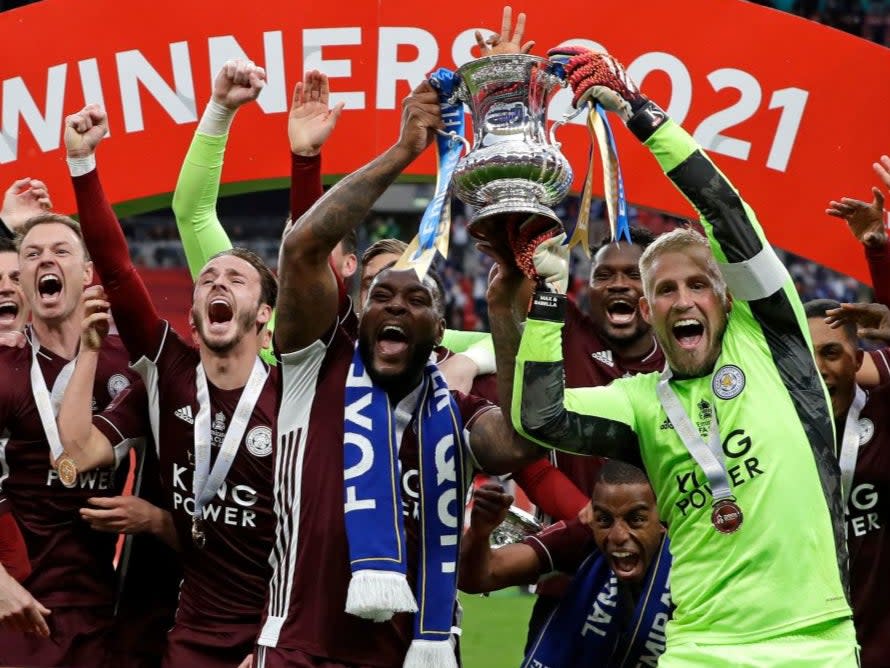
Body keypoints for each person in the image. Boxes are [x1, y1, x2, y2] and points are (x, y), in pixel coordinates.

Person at [497, 47, 856, 663]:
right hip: (699, 648)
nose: (682, 298)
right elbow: (539, 419)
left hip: (812, 643)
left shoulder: (774, 342)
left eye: (697, 284)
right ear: (647, 309)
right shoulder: (641, 404)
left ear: (726, 299)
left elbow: (725, 212)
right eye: (664, 288)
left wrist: (641, 114)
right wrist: (549, 300)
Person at [254, 78, 539, 668]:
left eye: (418, 301)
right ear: (358, 313)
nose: (398, 306)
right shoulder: (316, 369)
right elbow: (303, 250)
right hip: (300, 651)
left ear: (438, 331)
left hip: (413, 654)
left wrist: (505, 315)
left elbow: (511, 446)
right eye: (382, 295)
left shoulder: (456, 411)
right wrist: (405, 149)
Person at [62, 99, 279, 668]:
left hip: (277, 627)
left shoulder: (293, 394)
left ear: (263, 316)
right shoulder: (168, 369)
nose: (216, 280)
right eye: (208, 276)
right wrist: (82, 165)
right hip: (193, 627)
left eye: (236, 277)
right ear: (194, 314)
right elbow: (116, 269)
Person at [0, 212, 139, 667]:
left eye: (61, 251)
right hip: (18, 606)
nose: (46, 261)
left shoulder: (128, 367)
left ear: (86, 272)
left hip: (104, 610)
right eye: (33, 254)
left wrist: (155, 516)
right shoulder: (4, 367)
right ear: (20, 279)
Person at [459, 460, 671, 667]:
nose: (618, 535)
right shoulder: (582, 534)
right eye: (604, 520)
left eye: (636, 519)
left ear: (663, 518)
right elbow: (482, 575)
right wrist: (480, 532)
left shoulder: (690, 553)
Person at [808, 298, 890, 668]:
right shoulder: (776, 432)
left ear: (857, 362)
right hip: (813, 646)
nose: (818, 369)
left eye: (830, 353)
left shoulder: (884, 412)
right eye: (806, 358)